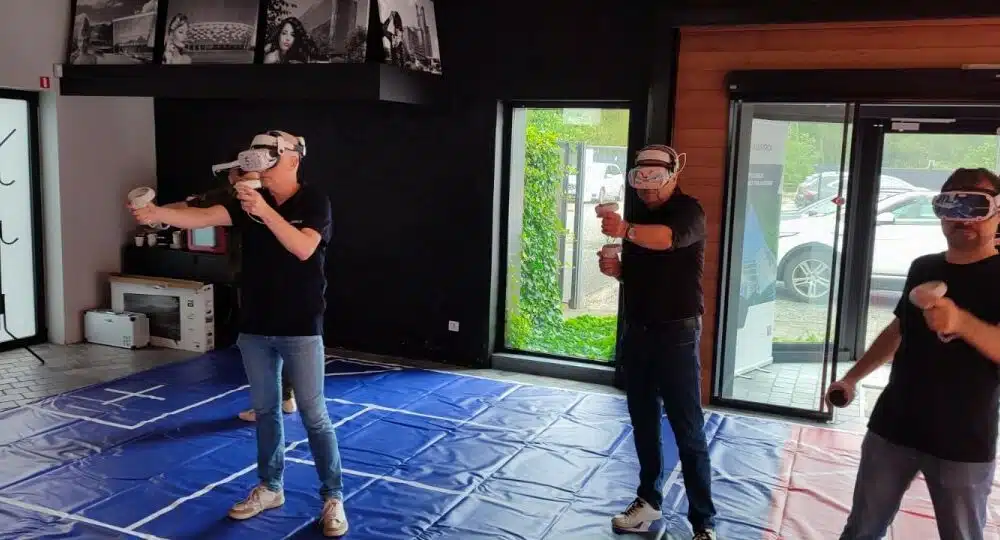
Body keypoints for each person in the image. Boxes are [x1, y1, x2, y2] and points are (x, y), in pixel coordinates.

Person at [129, 131, 347, 537]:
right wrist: (156, 213)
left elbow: (303, 248)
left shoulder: (313, 200)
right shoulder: (247, 202)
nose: (261, 166)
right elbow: (201, 216)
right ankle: (271, 487)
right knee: (265, 411)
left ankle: (332, 497)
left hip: (300, 325)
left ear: (293, 160)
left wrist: (263, 210)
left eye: (270, 157)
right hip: (256, 326)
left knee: (314, 415)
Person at [830, 167, 1000, 540]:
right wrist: (852, 378)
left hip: (963, 441)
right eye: (950, 206)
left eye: (976, 207)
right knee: (861, 530)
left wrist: (962, 322)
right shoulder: (924, 267)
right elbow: (898, 330)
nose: (962, 219)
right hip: (892, 426)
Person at [597, 144, 717, 540]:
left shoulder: (688, 211)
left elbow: (667, 240)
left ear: (673, 176)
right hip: (639, 331)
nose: (647, 188)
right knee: (643, 421)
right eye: (641, 180)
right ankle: (648, 500)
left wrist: (625, 230)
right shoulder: (639, 218)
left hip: (676, 333)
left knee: (687, 426)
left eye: (655, 180)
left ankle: (703, 522)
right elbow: (641, 273)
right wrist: (618, 271)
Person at [164, 174, 298, 422]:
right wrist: (156, 214)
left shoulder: (269, 196)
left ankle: (277, 400)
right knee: (271, 343)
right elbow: (195, 208)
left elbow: (198, 210)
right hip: (261, 279)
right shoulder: (236, 196)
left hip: (274, 280)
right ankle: (282, 398)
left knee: (272, 344)